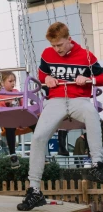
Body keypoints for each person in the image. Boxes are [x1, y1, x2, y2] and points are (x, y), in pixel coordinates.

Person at [17, 22, 103, 211]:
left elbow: (102, 77)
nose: (57, 49)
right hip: (55, 100)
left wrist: (88, 79)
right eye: (54, 46)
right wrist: (46, 79)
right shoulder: (48, 54)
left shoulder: (86, 56)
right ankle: (34, 190)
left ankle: (97, 163)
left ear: (69, 39)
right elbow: (42, 74)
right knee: (38, 137)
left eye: (60, 45)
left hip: (78, 99)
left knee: (91, 113)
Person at [0, 70, 22, 170]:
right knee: (10, 128)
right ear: (2, 83)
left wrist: (18, 102)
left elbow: (23, 104)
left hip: (19, 117)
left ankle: (41, 152)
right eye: (10, 81)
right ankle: (13, 155)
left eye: (14, 81)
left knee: (35, 123)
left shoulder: (17, 92)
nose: (13, 83)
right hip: (8, 119)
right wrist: (8, 103)